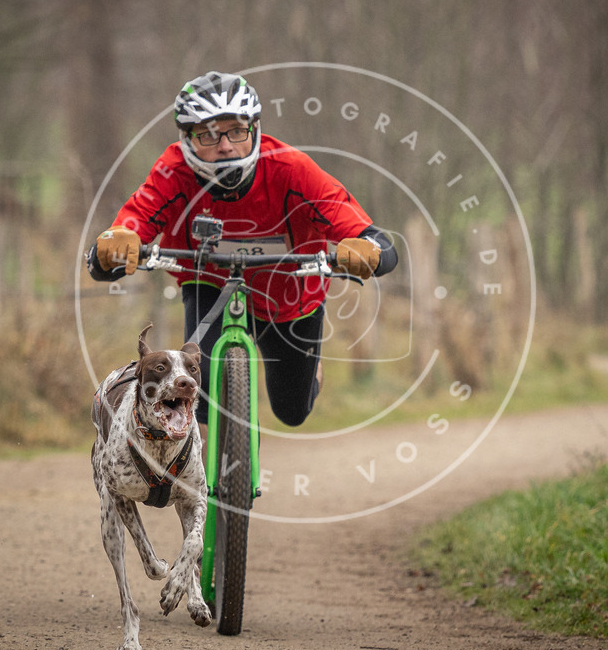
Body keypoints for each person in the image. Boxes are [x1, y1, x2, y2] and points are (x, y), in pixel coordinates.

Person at [87, 70, 398, 435]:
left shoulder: (292, 169)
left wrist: (367, 250)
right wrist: (116, 244)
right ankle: (207, 480)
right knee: (197, 397)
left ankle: (310, 372)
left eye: (236, 130)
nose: (225, 146)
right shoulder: (173, 172)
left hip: (291, 294)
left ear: (255, 129)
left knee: (291, 411)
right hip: (209, 284)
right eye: (207, 134)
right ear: (187, 139)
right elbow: (129, 227)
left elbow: (373, 238)